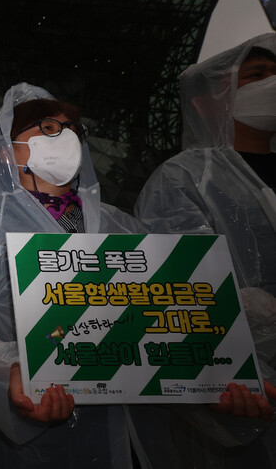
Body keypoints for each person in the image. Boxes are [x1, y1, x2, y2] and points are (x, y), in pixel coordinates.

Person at [0, 83, 153, 468]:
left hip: (125, 421)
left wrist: (219, 375)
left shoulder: (122, 225)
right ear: (5, 150)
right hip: (30, 436)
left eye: (72, 129)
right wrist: (9, 366)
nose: (65, 137)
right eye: (48, 128)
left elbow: (172, 306)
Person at [133, 33, 276, 467]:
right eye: (257, 76)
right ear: (205, 101)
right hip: (252, 386)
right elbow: (183, 290)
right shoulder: (185, 178)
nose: (272, 83)